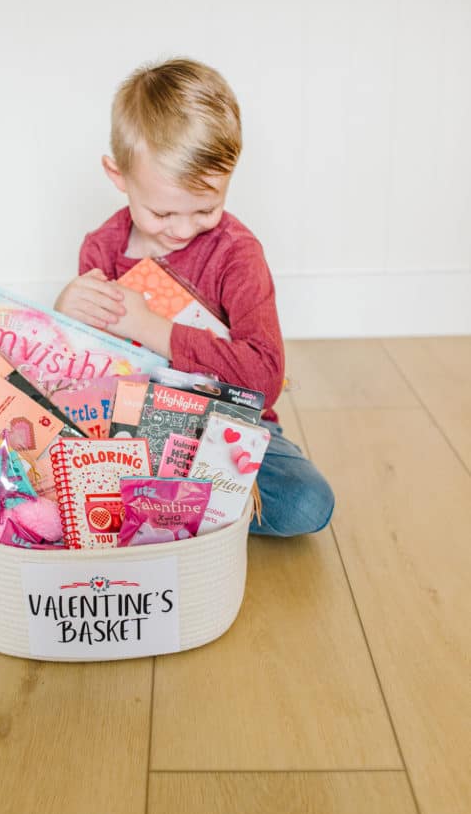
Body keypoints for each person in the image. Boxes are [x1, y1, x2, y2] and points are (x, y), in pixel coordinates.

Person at [55, 57, 333, 536]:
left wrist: (151, 328)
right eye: (162, 212)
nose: (183, 230)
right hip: (134, 434)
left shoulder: (237, 254)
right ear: (118, 175)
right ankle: (175, 509)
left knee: (307, 505)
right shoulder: (101, 249)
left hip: (227, 429)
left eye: (206, 208)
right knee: (55, 450)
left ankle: (151, 512)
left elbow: (264, 379)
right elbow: (83, 376)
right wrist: (66, 314)